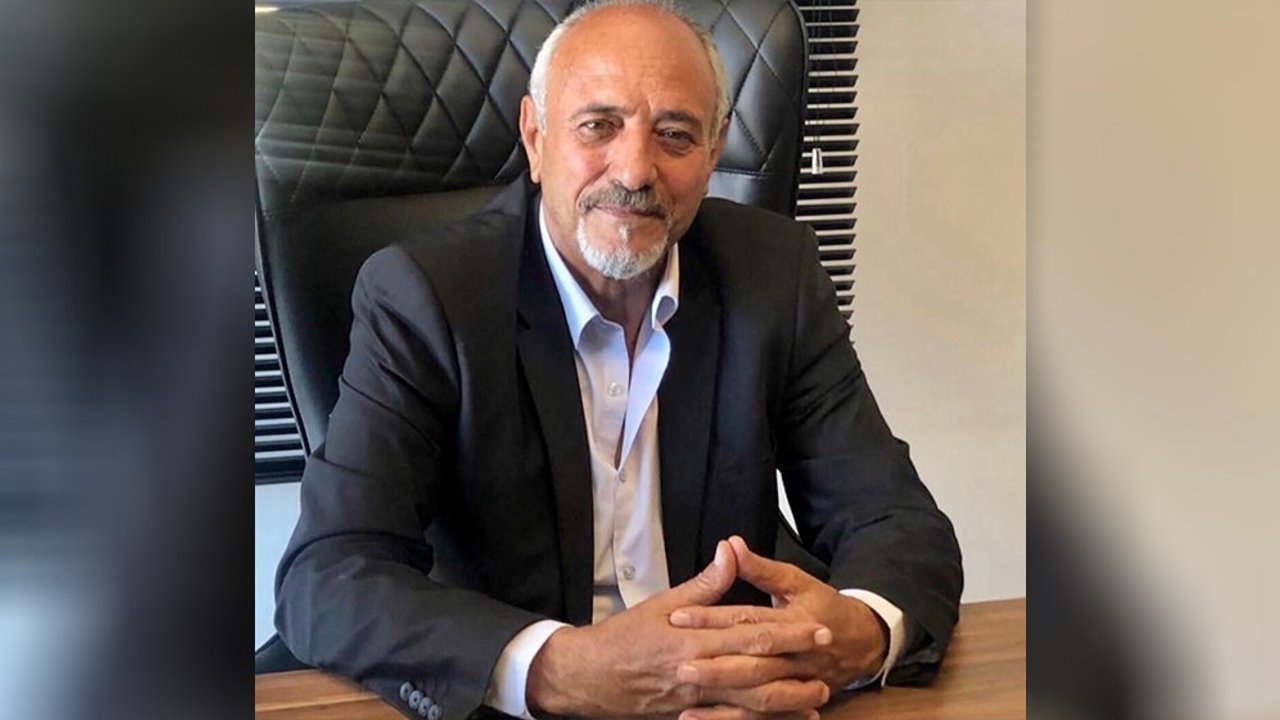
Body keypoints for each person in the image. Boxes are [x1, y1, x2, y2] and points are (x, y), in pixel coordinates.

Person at [274, 2, 963, 720]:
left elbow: (895, 521)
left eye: (675, 134)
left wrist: (857, 633)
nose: (635, 170)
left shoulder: (773, 276)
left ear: (713, 151)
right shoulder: (426, 295)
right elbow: (330, 574)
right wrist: (559, 669)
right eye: (598, 126)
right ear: (535, 137)